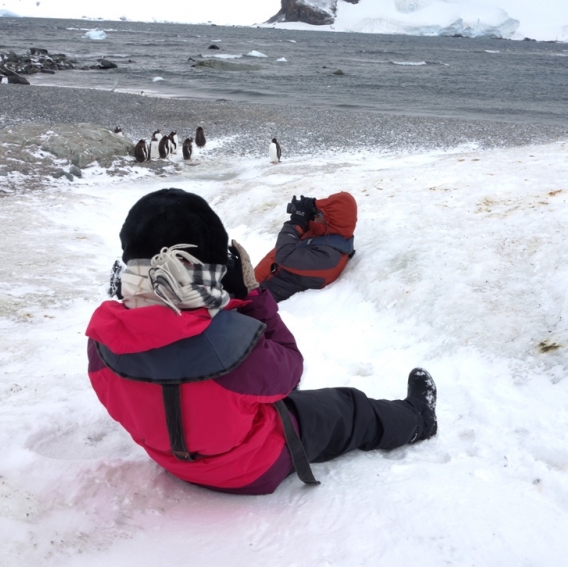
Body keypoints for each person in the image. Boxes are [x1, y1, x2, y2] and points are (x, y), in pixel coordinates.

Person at [85, 188, 438, 495]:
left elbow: (166, 365)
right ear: (211, 265)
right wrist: (252, 296)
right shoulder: (234, 343)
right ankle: (419, 419)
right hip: (248, 469)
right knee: (348, 408)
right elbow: (290, 373)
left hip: (172, 463)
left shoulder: (102, 340)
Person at [255, 191, 357, 302]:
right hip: (256, 282)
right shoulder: (330, 237)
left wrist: (296, 222)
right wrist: (310, 209)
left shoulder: (328, 257)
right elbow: (314, 230)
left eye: (320, 215)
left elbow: (284, 255)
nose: (316, 218)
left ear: (329, 222)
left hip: (260, 297)